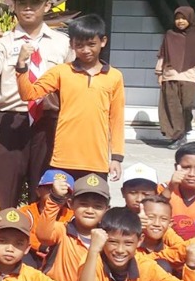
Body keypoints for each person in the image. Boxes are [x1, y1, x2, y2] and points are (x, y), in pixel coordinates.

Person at [0, 0, 73, 208]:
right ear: (14, 6)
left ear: (47, 6)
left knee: (44, 190)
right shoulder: (3, 42)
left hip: (47, 121)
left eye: (34, 3)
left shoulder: (63, 43)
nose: (28, 8)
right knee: (4, 192)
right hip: (12, 120)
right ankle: (4, 230)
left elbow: (72, 84)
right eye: (22, 3)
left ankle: (40, 232)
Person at [16, 13, 125, 181]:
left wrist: (116, 158)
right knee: (58, 198)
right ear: (71, 45)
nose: (86, 50)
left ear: (103, 41)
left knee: (93, 199)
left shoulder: (114, 76)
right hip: (63, 159)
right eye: (79, 45)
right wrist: (22, 66)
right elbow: (29, 94)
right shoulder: (61, 72)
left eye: (91, 44)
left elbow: (116, 119)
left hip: (97, 161)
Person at [156, 6, 195, 148]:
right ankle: (177, 136)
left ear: (190, 19)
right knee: (172, 107)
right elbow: (163, 55)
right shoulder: (170, 35)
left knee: (186, 107)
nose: (180, 21)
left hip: (189, 77)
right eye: (177, 18)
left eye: (183, 18)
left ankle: (183, 132)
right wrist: (159, 73)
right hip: (170, 76)